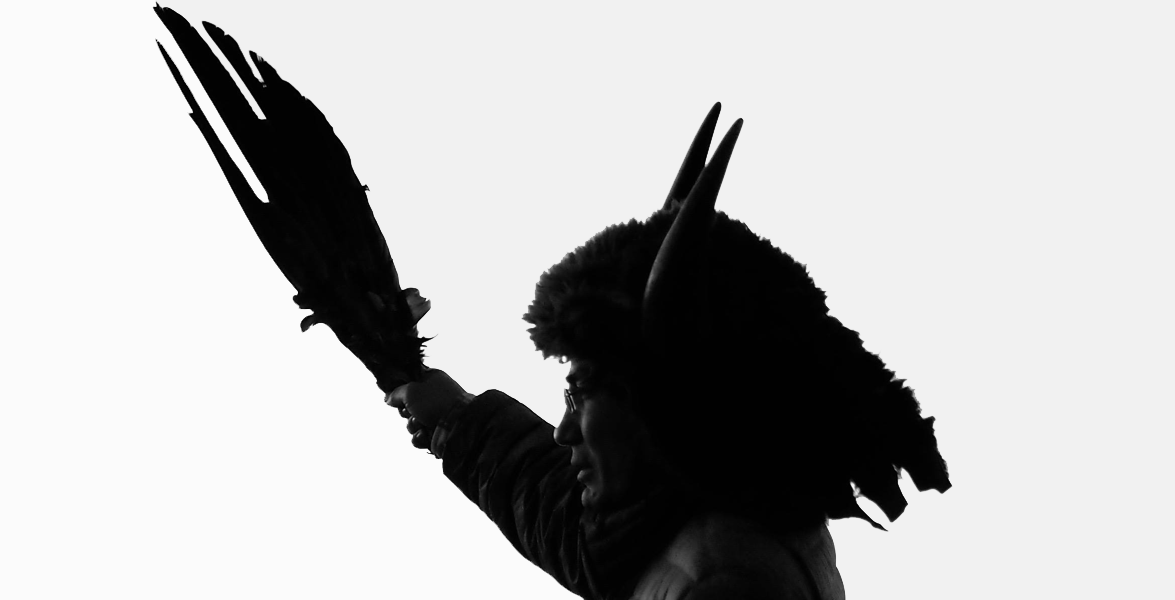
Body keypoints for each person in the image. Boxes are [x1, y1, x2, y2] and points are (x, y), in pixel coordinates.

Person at [385, 104, 950, 600]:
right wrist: (457, 418)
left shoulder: (722, 587)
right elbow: (580, 535)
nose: (564, 431)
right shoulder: (711, 500)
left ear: (670, 411)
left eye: (583, 395)